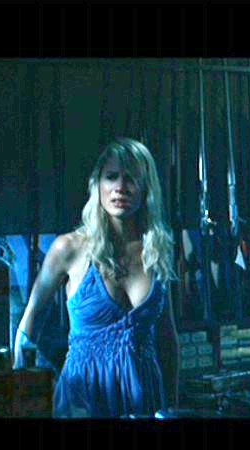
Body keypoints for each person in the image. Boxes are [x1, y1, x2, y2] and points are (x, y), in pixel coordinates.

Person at [13, 138, 179, 418]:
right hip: (84, 395)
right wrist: (23, 394)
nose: (120, 187)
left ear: (147, 188)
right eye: (111, 177)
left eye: (131, 179)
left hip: (145, 395)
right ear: (97, 184)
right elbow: (28, 324)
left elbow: (167, 339)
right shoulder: (69, 248)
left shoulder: (157, 250)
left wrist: (171, 408)